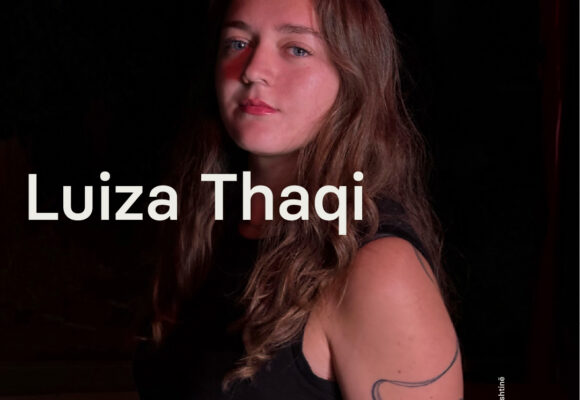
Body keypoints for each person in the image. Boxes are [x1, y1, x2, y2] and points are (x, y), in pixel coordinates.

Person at [133, 0, 463, 399]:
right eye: (237, 43)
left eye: (297, 49)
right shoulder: (207, 225)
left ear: (354, 75)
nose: (252, 70)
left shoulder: (377, 270)